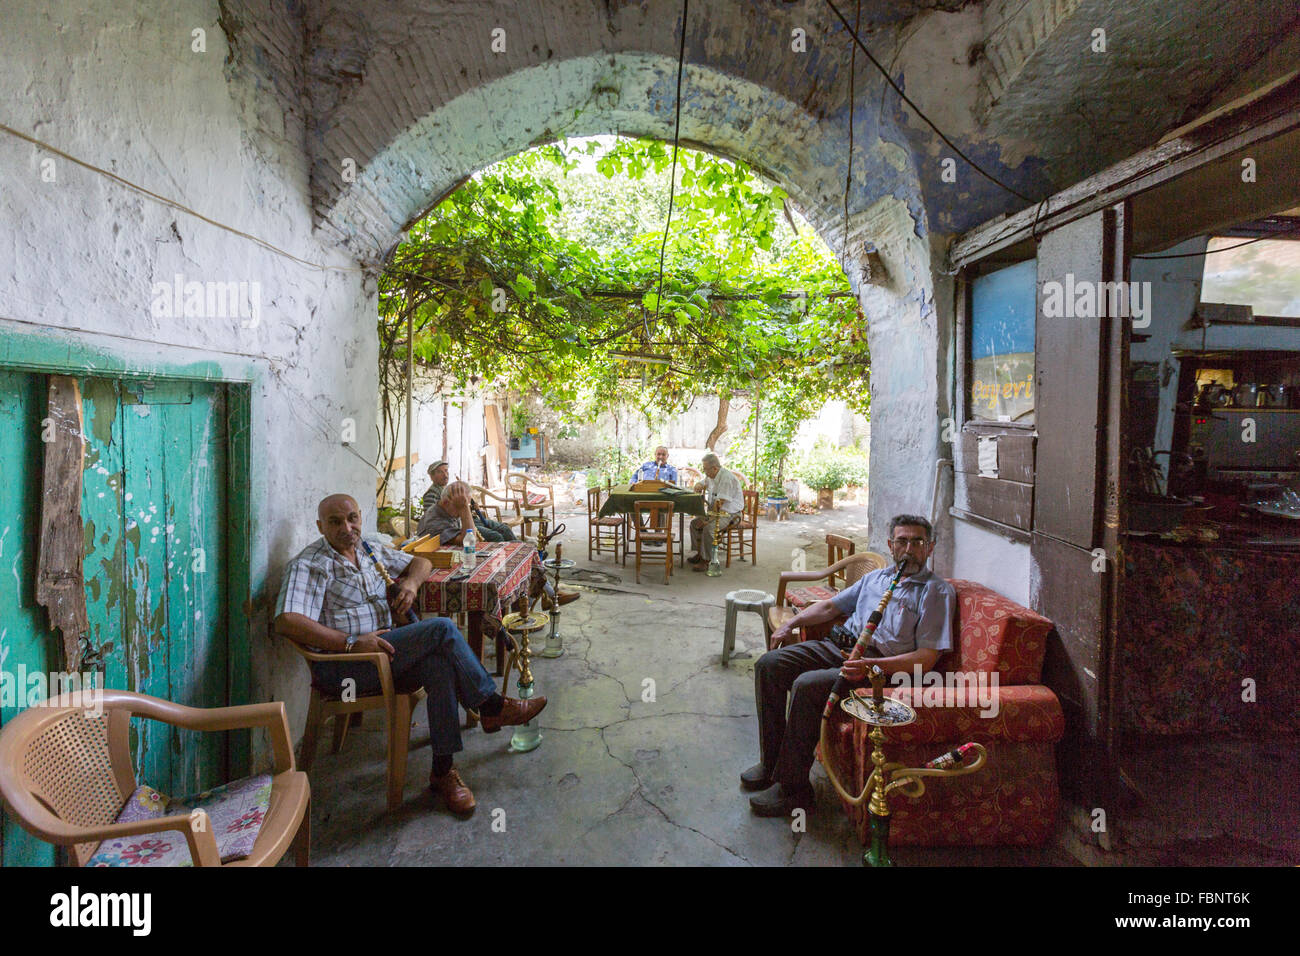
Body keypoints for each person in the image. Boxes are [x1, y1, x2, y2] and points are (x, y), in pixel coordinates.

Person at [274, 493, 546, 816]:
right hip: (346, 668)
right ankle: (491, 706)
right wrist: (350, 642)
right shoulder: (310, 564)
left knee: (440, 665)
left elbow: (422, 562)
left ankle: (443, 772)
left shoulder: (367, 549)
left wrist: (412, 586)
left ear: (360, 517)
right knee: (443, 629)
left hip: (387, 652)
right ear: (320, 526)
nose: (347, 527)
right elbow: (286, 620)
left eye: (352, 518)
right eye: (335, 522)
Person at [743, 514, 956, 816]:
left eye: (917, 541)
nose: (909, 548)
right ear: (890, 545)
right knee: (769, 665)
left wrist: (871, 665)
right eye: (902, 541)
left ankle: (794, 790)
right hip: (840, 647)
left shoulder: (935, 592)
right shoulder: (876, 578)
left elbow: (926, 658)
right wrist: (790, 624)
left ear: (930, 547)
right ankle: (771, 763)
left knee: (807, 686)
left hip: (881, 669)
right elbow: (831, 606)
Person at [418, 482, 579, 610]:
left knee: (519, 550)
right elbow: (470, 539)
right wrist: (464, 509)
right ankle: (543, 599)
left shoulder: (446, 510)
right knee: (512, 557)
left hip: (461, 559)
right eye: (462, 504)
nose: (466, 507)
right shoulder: (435, 519)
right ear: (447, 502)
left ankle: (543, 598)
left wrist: (464, 508)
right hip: (447, 568)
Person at [420, 460, 515, 542]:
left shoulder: (449, 488)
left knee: (504, 529)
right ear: (432, 477)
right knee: (495, 536)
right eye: (440, 472)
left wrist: (470, 507)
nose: (445, 475)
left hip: (463, 520)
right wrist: (463, 508)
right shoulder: (431, 494)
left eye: (446, 471)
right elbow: (442, 515)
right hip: (456, 524)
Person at [687, 452, 743, 571]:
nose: (704, 472)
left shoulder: (726, 478)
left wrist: (707, 520)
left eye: (706, 469)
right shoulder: (712, 475)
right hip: (716, 511)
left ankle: (706, 560)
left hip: (730, 514)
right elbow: (704, 481)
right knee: (694, 524)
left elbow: (719, 505)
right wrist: (698, 484)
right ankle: (700, 553)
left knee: (708, 528)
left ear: (715, 468)